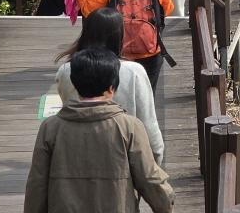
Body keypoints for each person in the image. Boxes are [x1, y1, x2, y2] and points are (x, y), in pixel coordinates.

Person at [24, 48, 172, 213]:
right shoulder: (129, 126)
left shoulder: (51, 127)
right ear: (111, 87)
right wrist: (165, 203)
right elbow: (149, 178)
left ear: (75, 83)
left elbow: (37, 182)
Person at [54, 8, 163, 163]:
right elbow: (148, 122)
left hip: (76, 154)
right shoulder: (134, 72)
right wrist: (155, 159)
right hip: (123, 155)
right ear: (119, 35)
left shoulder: (66, 71)